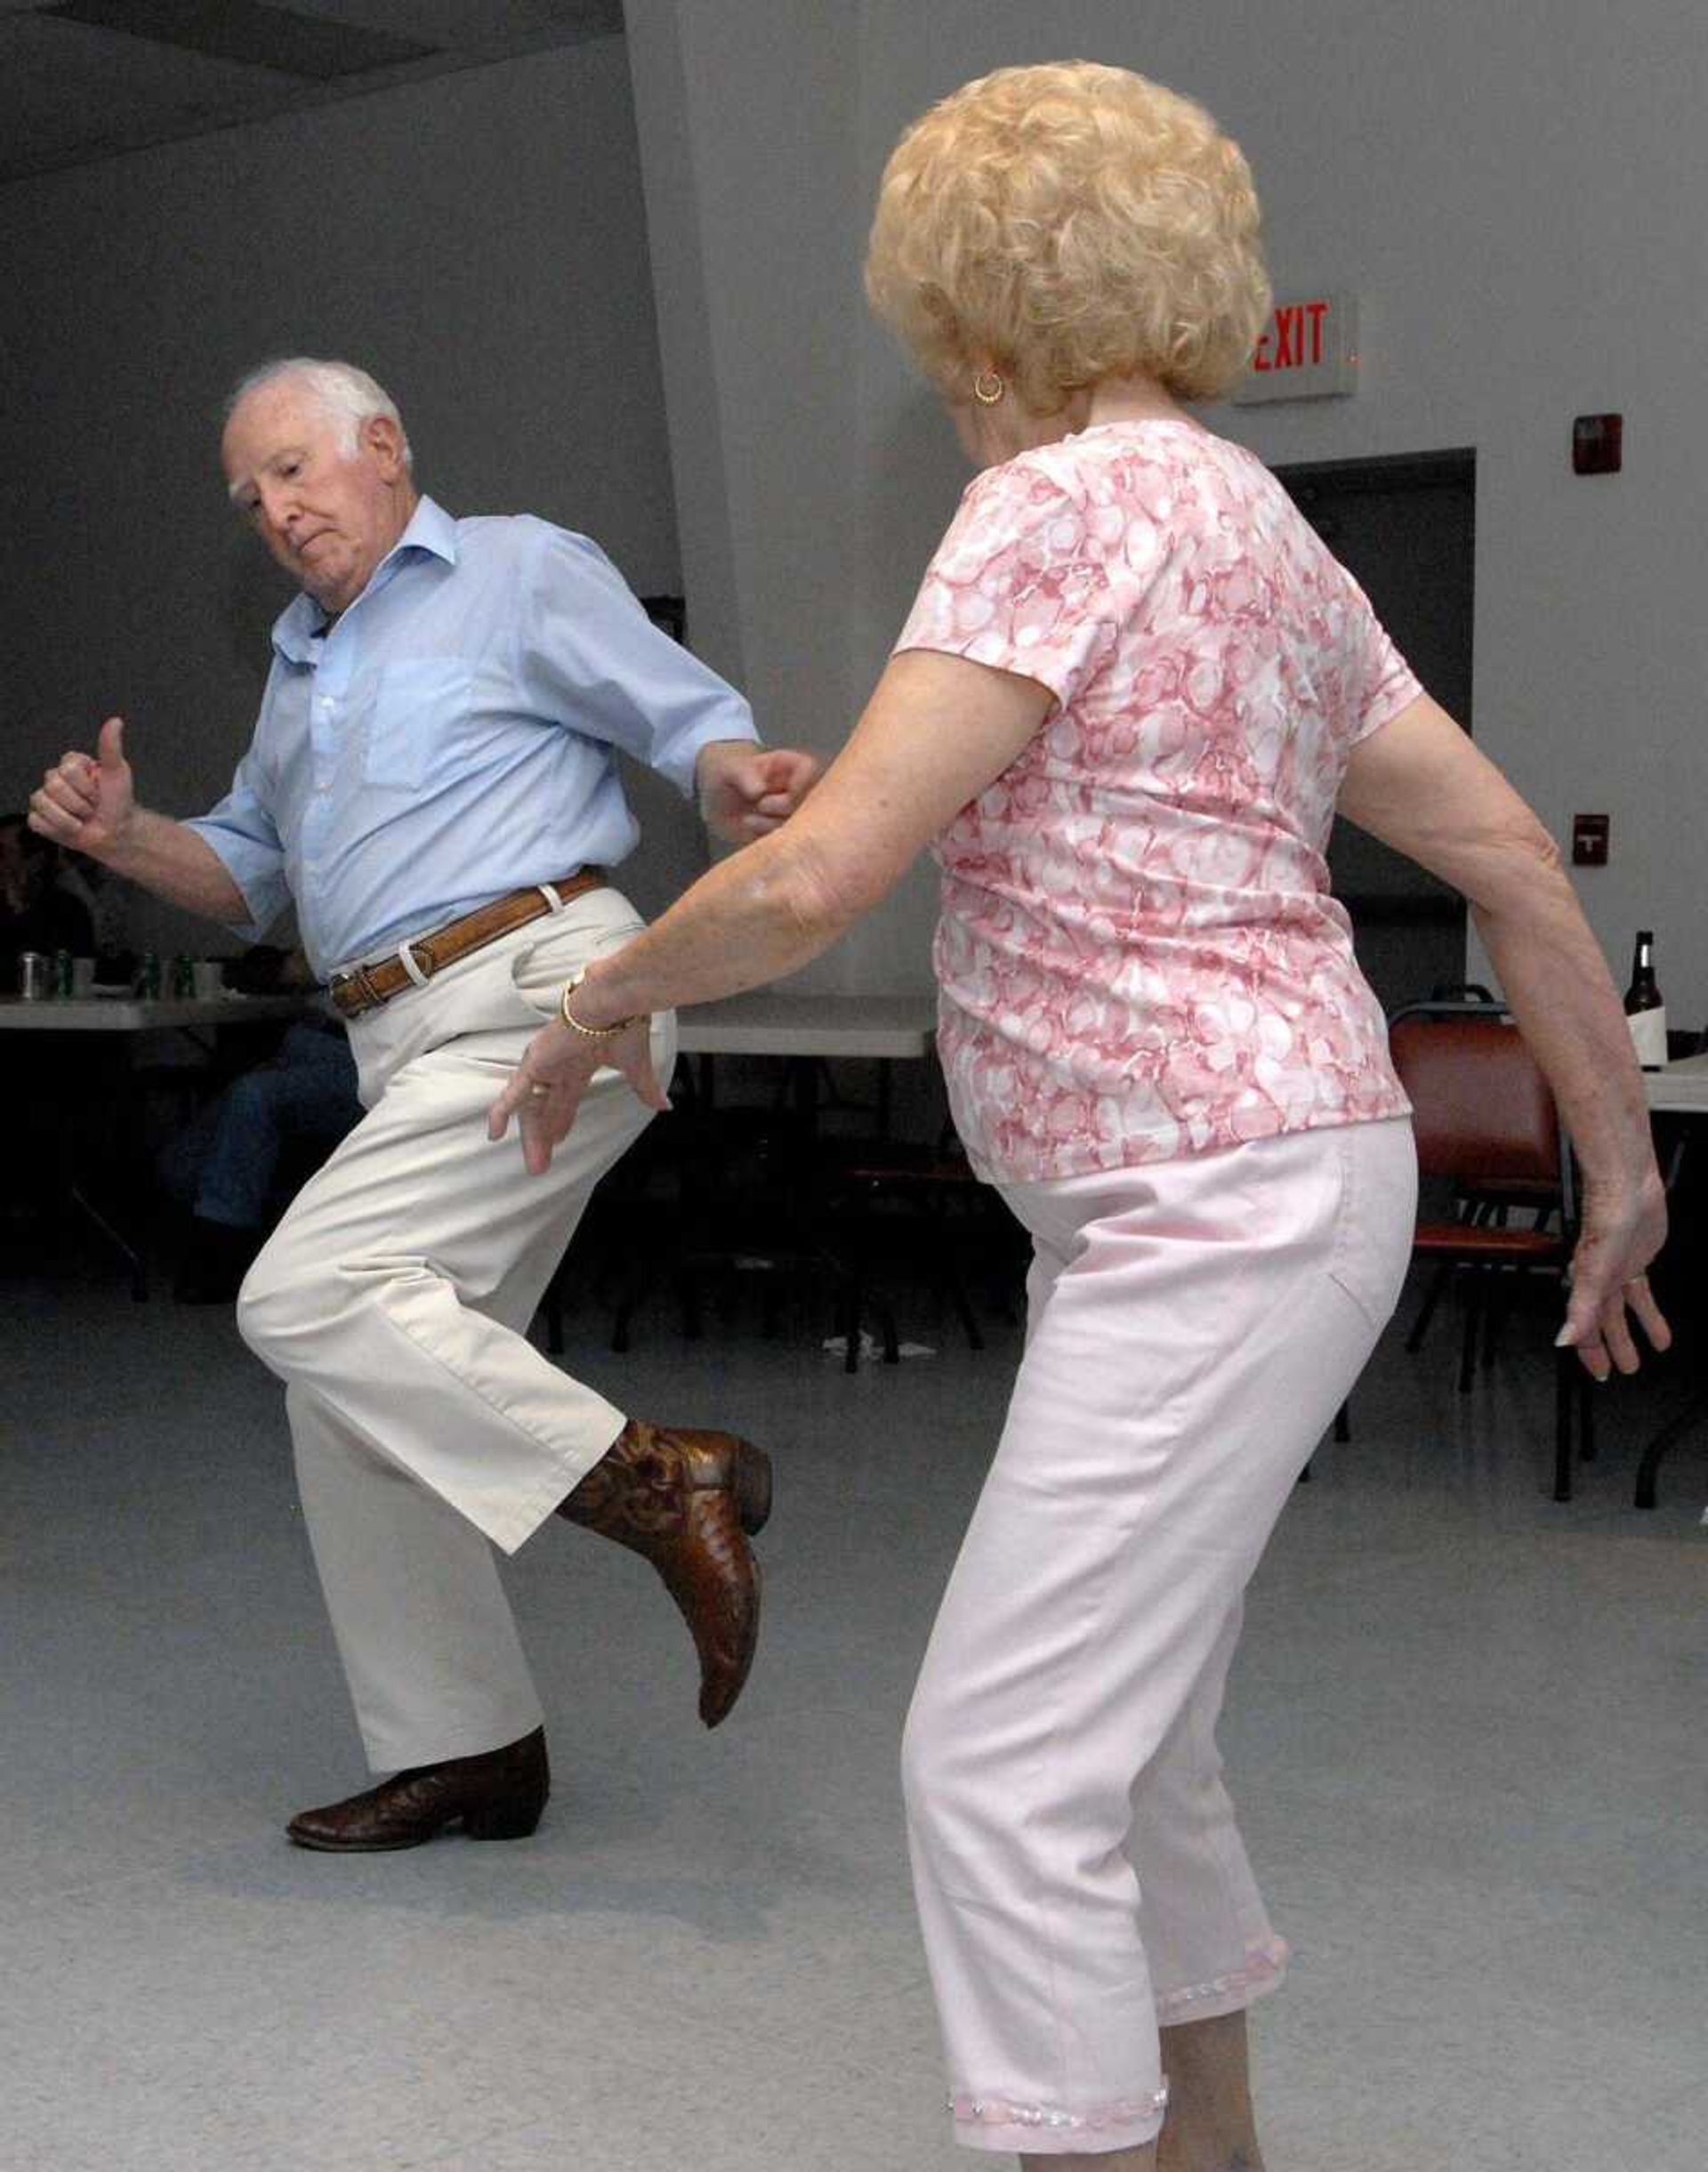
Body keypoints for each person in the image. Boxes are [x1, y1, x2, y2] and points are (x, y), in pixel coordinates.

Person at [486, 62, 1671, 2170]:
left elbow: (812, 878)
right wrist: (1629, 1174)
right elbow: (1511, 856)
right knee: (1132, 1753)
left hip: (1212, 1202)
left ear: (974, 310)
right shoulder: (1257, 523)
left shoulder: (1046, 505)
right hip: (1277, 1178)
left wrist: (591, 995)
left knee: (1001, 1762)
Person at [29, 357, 818, 1852]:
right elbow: (247, 871)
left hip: (546, 992)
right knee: (359, 1398)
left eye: (293, 469)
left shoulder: (515, 567)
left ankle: (668, 1481)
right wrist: (131, 838)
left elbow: (685, 720)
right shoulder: (296, 670)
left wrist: (737, 780)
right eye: (249, 492)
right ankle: (472, 1749)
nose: (273, 508)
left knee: (306, 1293)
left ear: (382, 446)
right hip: (398, 1030)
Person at [155, 949, 363, 1303]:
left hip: (357, 1054)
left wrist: (300, 964)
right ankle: (240, 1229)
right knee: (180, 1165)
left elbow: (308, 966)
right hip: (305, 1038)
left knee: (256, 1097)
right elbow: (294, 969)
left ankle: (219, 1258)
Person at [1, 811, 94, 983]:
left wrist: (19, 909)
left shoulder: (67, 909)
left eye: (5, 853)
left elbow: (70, 974)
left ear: (35, 861)